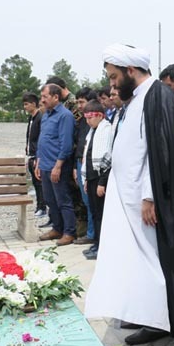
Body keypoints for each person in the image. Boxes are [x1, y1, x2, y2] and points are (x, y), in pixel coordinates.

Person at [85, 43, 174, 345]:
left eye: (114, 77)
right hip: (128, 200)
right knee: (135, 263)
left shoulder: (157, 95)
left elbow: (159, 151)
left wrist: (151, 197)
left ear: (130, 70)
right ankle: (144, 314)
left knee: (154, 263)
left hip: (146, 202)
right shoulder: (137, 98)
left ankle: (162, 321)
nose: (112, 84)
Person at [35, 83, 78, 246]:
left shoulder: (65, 116)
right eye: (41, 97)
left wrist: (58, 166)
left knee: (63, 200)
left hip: (57, 166)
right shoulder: (46, 115)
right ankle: (57, 228)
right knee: (50, 200)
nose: (42, 100)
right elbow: (43, 140)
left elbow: (66, 144)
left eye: (45, 97)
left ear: (55, 97)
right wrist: (38, 162)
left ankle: (69, 232)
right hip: (45, 164)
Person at [80, 99, 112, 260]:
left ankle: (103, 246)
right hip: (91, 178)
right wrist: (86, 179)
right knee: (94, 213)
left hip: (100, 179)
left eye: (90, 117)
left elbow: (109, 159)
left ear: (100, 115)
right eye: (85, 117)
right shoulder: (92, 132)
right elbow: (88, 156)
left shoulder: (106, 130)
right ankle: (97, 243)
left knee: (101, 215)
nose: (88, 121)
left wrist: (102, 183)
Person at [73, 87, 96, 246]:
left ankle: (92, 234)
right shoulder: (81, 120)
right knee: (85, 200)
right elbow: (79, 143)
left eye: (82, 102)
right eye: (78, 102)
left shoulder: (97, 121)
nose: (79, 106)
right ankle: (90, 232)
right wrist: (76, 166)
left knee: (90, 201)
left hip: (90, 165)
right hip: (79, 163)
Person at [22, 92, 46, 218]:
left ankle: (42, 207)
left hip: (37, 156)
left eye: (26, 104)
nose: (25, 107)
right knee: (35, 183)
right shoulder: (31, 118)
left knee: (39, 183)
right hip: (31, 155)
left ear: (33, 104)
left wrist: (38, 157)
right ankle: (39, 206)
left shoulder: (40, 118)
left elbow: (41, 139)